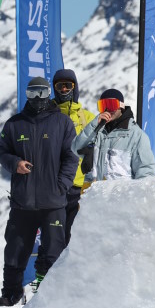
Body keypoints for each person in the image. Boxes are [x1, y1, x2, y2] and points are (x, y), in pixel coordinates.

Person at [0, 76, 80, 306]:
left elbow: (71, 158)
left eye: (42, 92)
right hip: (23, 202)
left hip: (53, 202)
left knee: (53, 251)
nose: (38, 98)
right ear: (26, 94)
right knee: (15, 250)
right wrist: (15, 164)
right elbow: (3, 153)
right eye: (33, 93)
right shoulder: (14, 124)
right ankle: (11, 294)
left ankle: (47, 294)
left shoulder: (62, 123)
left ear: (49, 94)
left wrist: (61, 185)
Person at [51, 68, 96, 245]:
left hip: (80, 187)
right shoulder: (47, 116)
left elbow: (106, 142)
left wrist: (93, 149)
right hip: (54, 186)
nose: (64, 90)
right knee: (53, 237)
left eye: (68, 85)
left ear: (74, 87)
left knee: (75, 239)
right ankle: (49, 272)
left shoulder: (87, 117)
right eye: (60, 85)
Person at [72, 88, 155, 181]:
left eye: (112, 105)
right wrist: (94, 124)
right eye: (103, 105)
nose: (108, 109)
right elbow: (76, 148)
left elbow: (145, 171)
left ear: (121, 106)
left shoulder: (136, 135)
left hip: (121, 194)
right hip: (96, 194)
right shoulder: (96, 131)